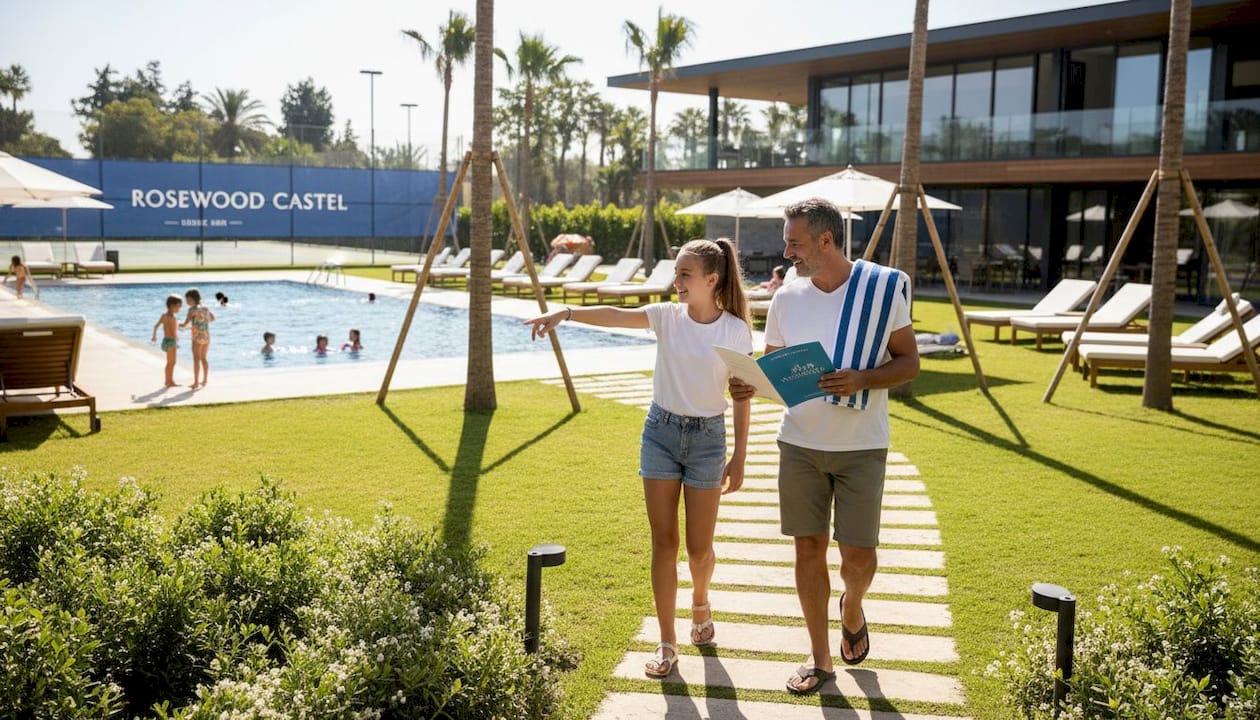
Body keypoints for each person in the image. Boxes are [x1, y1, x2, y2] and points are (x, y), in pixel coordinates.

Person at [524, 238, 754, 679]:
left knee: (699, 549)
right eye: (676, 272)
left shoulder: (735, 331)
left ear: (712, 279)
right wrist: (566, 312)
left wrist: (740, 456)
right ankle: (667, 643)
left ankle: (700, 602)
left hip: (708, 439)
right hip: (661, 434)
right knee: (664, 542)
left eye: (685, 274)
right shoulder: (667, 317)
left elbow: (742, 397)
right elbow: (619, 316)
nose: (677, 281)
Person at [729, 198, 919, 696]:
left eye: (794, 242)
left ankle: (852, 604)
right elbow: (774, 373)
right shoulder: (788, 298)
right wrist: (750, 384)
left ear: (825, 241)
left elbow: (909, 363)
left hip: (862, 447)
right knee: (807, 548)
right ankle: (819, 659)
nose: (787, 251)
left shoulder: (880, 290)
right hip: (799, 444)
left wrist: (863, 378)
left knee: (858, 556)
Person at [179, 288, 215, 389]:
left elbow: (185, 323)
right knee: (204, 358)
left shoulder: (191, 310)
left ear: (191, 299)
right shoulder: (205, 308)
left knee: (196, 359)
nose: (186, 302)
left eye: (187, 300)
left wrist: (180, 325)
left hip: (196, 337)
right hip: (206, 336)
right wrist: (202, 322)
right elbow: (212, 319)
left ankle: (195, 382)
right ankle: (205, 380)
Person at [150, 294, 183, 387]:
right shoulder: (173, 318)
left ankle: (167, 381)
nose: (179, 309)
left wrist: (154, 336)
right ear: (172, 306)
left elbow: (156, 326)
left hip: (165, 341)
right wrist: (176, 342)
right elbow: (174, 333)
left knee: (169, 362)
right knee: (173, 362)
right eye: (179, 307)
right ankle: (170, 381)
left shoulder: (163, 316)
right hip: (171, 341)